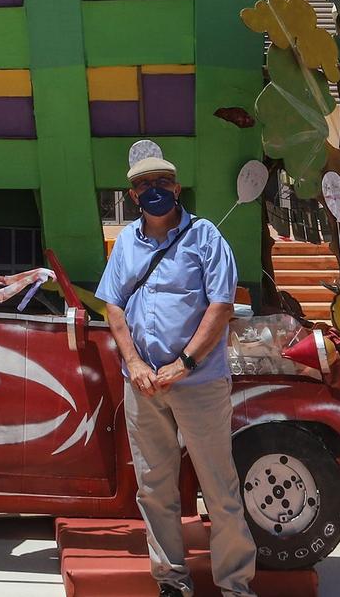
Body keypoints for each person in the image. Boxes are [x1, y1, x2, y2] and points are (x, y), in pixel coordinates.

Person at [95, 143, 254, 597]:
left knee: (219, 487)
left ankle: (235, 585)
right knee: (154, 488)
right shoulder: (125, 242)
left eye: (161, 182)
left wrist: (184, 364)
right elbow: (113, 306)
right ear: (131, 195)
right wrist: (135, 363)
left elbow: (220, 307)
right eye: (143, 184)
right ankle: (171, 581)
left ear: (177, 187)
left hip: (198, 383)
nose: (153, 190)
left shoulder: (205, 237)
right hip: (142, 386)